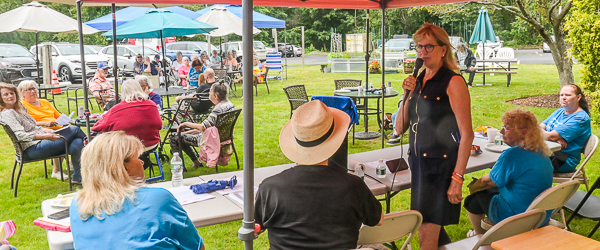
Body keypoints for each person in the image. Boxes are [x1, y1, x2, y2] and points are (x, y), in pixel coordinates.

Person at [255, 100, 383, 249]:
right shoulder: (353, 185)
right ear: (335, 141)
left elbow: (255, 226)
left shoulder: (270, 187)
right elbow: (378, 220)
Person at [395, 23, 474, 249]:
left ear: (443, 49)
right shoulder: (419, 79)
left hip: (440, 167)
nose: (422, 52)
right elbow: (399, 128)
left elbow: (467, 134)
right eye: (419, 46)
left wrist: (457, 179)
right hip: (419, 164)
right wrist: (406, 93)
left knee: (426, 234)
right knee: (429, 229)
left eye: (429, 46)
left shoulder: (453, 81)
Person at [70, 131, 205, 250]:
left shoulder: (77, 205)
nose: (142, 163)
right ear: (123, 168)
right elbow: (196, 246)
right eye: (138, 158)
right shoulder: (158, 199)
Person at [464, 109, 553, 236]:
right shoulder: (542, 152)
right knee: (492, 191)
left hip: (518, 217)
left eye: (507, 128)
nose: (501, 131)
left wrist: (473, 187)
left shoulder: (511, 155)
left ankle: (479, 237)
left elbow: (487, 181)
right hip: (540, 214)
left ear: (524, 132)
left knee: (472, 200)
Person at [0, 83, 86, 184]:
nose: (10, 96)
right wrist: (45, 136)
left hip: (41, 142)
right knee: (75, 129)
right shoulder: (7, 113)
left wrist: (45, 130)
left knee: (77, 142)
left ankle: (77, 178)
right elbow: (20, 135)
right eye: (6, 94)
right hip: (31, 149)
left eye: (12, 93)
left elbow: (32, 126)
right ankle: (96, 151)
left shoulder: (20, 108)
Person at [92, 80, 163, 170]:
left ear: (123, 93)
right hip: (151, 144)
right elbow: (160, 125)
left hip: (128, 147)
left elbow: (98, 127)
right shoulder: (152, 105)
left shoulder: (117, 109)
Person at [170, 81, 234, 168]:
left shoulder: (218, 109)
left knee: (174, 137)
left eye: (210, 91)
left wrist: (185, 123)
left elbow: (202, 126)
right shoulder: (229, 104)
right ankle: (196, 162)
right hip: (223, 137)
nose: (208, 93)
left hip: (211, 139)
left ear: (216, 95)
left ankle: (180, 168)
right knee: (182, 135)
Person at [540, 84, 592, 173]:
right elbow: (539, 127)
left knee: (523, 160)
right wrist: (554, 139)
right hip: (550, 151)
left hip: (563, 160)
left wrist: (552, 137)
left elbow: (550, 136)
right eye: (561, 95)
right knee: (518, 153)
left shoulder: (580, 118)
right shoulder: (560, 111)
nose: (563, 98)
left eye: (568, 95)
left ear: (578, 97)